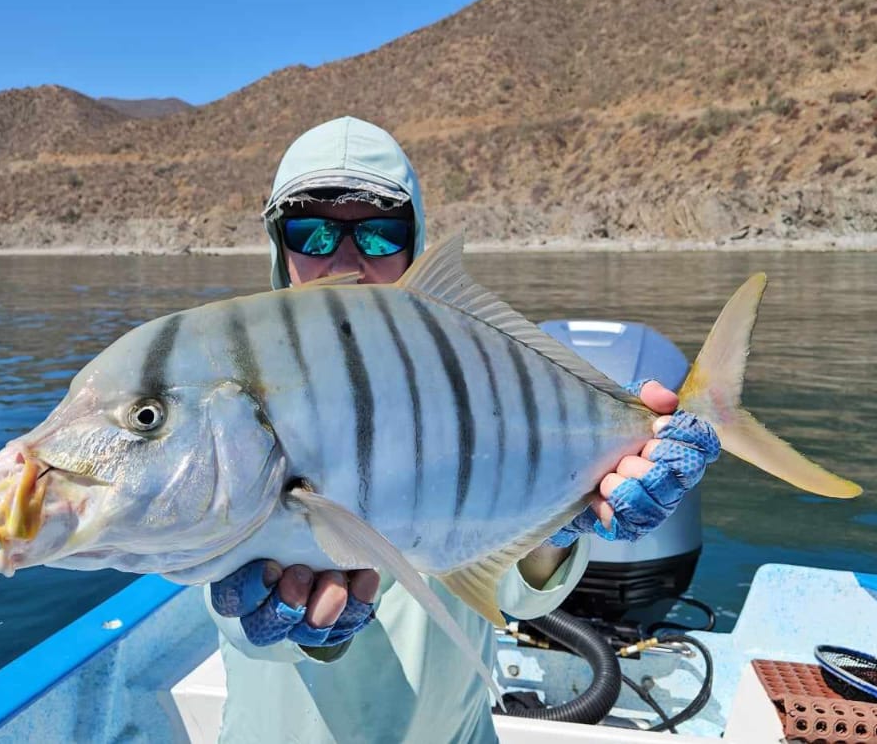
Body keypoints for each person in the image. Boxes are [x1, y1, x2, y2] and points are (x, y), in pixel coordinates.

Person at [203, 116, 714, 743]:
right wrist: (251, 611)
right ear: (280, 250)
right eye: (312, 233)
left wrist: (557, 526)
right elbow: (230, 605)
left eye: (380, 235)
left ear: (415, 244)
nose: (347, 260)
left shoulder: (474, 382)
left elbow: (520, 598)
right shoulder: (232, 391)